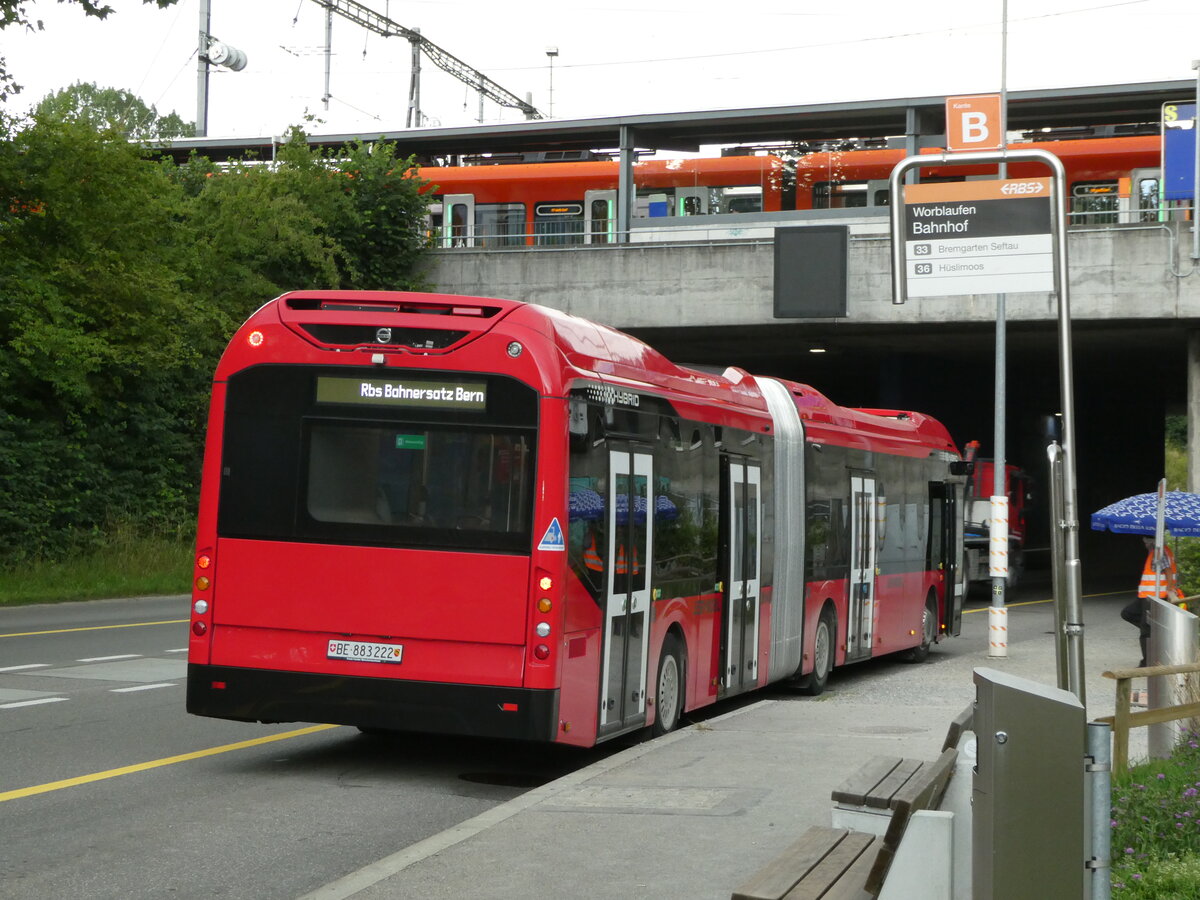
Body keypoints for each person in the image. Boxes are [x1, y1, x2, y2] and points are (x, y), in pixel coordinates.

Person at [1121, 536, 1186, 667]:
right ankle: (1158, 632)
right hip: (1146, 595)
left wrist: (1170, 587)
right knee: (1128, 613)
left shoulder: (1158, 551)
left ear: (1150, 541)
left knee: (1146, 632)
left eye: (1145, 541)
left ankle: (1148, 662)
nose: (1144, 544)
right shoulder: (1158, 550)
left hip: (1154, 596)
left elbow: (1167, 569)